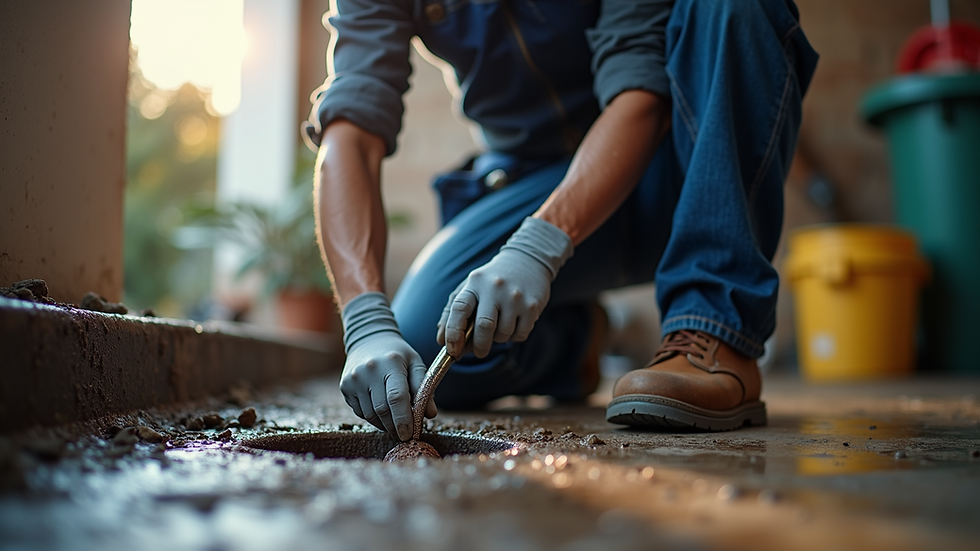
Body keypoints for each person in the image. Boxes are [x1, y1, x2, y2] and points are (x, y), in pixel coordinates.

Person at [303, 0, 818, 441]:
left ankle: (715, 330)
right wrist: (365, 320)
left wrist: (538, 244)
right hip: (533, 185)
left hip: (685, 169)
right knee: (426, 345)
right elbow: (350, 127)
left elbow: (639, 89)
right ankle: (575, 343)